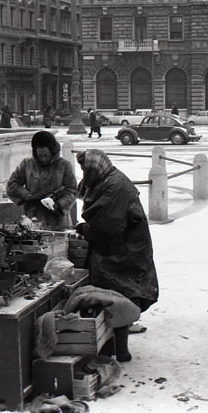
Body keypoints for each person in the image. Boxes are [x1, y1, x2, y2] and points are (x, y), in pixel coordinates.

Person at [74, 149, 159, 362]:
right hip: (121, 247)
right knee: (115, 296)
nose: (84, 173)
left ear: (95, 168)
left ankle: (118, 349)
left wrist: (85, 229)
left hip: (126, 250)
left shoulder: (115, 185)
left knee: (117, 297)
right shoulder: (107, 179)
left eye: (86, 169)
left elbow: (107, 225)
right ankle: (112, 346)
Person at [7, 131, 77, 229]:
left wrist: (58, 204)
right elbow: (12, 184)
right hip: (32, 218)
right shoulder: (27, 164)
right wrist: (28, 196)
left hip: (58, 220)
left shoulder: (64, 166)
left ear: (53, 151)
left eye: (46, 156)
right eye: (40, 156)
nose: (43, 159)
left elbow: (72, 191)